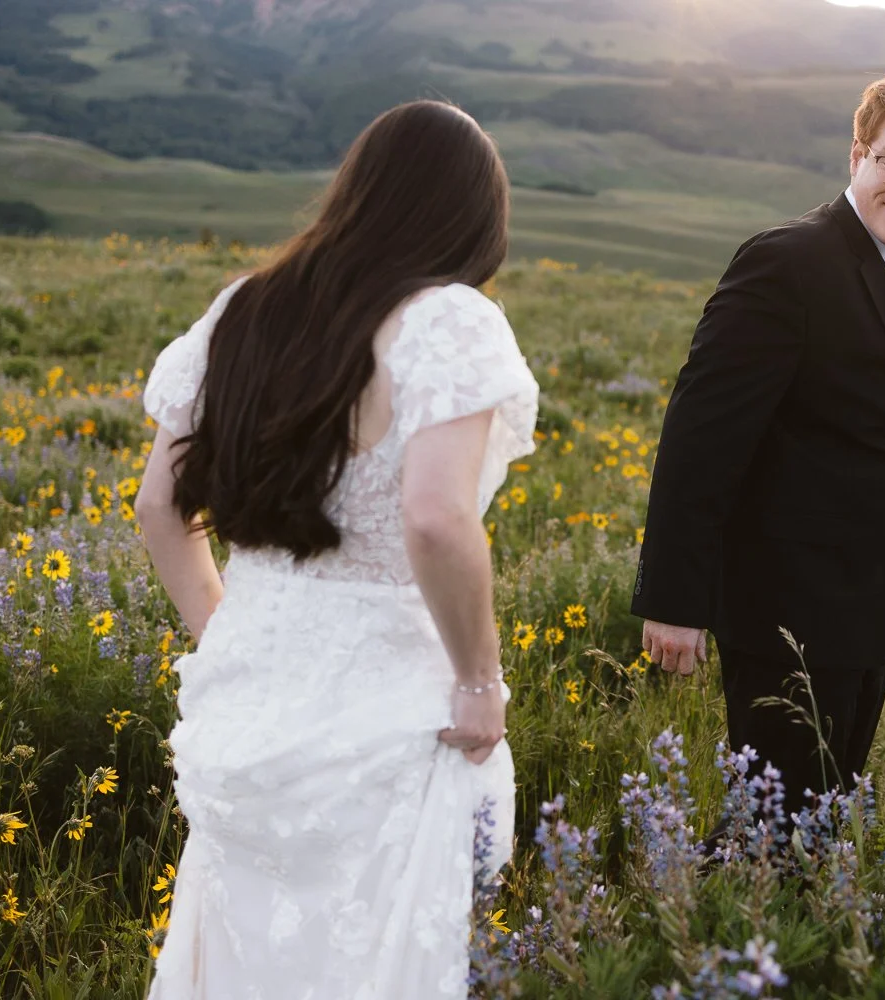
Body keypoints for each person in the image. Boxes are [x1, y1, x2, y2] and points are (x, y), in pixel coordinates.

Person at [135, 100, 538, 998]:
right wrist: (479, 681)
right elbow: (433, 519)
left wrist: (226, 630)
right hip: (388, 702)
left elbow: (159, 506)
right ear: (474, 218)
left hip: (251, 688)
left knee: (240, 950)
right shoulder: (448, 320)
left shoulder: (243, 307)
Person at [631, 66, 885, 817]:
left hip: (867, 613)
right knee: (769, 839)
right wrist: (674, 600)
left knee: (817, 833)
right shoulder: (786, 262)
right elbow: (700, 437)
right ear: (856, 154)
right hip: (782, 613)